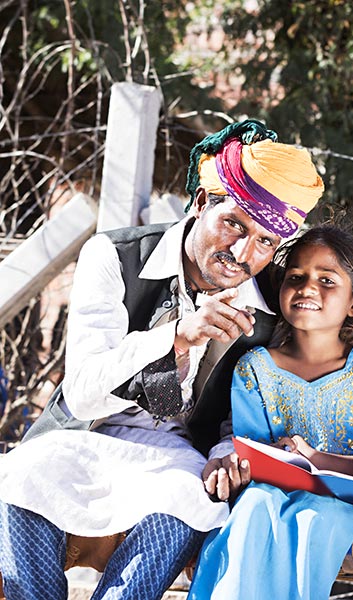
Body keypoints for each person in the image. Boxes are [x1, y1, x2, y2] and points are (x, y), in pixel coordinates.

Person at [0, 119, 324, 599]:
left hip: (173, 460)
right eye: (233, 224)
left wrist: (225, 456)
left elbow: (241, 421)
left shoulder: (268, 311)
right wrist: (174, 337)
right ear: (199, 204)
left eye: (264, 242)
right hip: (79, 439)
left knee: (191, 499)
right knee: (23, 478)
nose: (241, 252)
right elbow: (84, 394)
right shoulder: (112, 256)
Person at [187, 222, 353, 600]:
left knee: (319, 520)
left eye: (327, 280)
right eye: (296, 276)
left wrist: (316, 458)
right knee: (253, 509)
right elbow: (249, 453)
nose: (308, 288)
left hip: (342, 503)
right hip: (268, 492)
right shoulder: (255, 368)